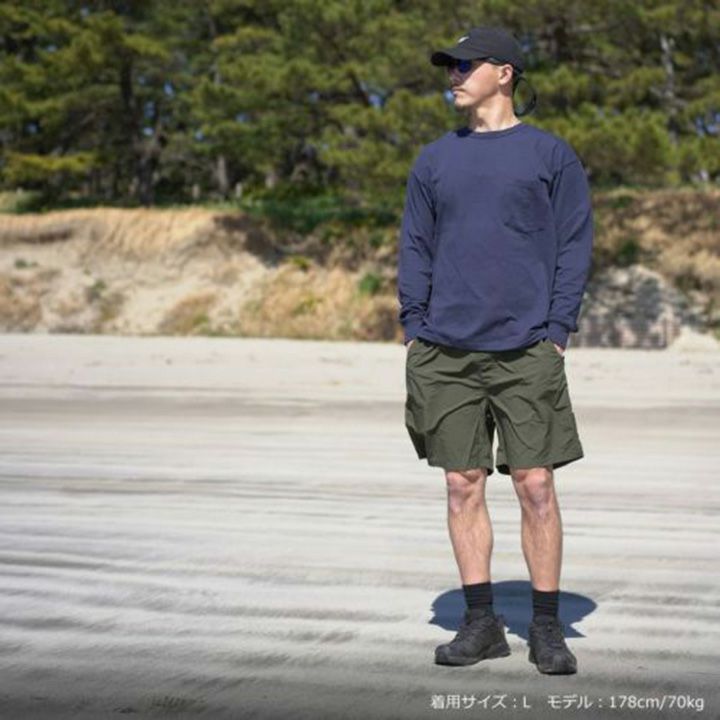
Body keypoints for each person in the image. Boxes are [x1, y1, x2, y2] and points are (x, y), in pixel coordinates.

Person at [397, 26, 593, 675]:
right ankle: (480, 624)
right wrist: (414, 325)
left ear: (504, 72)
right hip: (444, 349)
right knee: (462, 485)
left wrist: (558, 328)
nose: (453, 76)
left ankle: (546, 627)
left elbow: (574, 244)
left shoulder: (550, 155)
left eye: (464, 65)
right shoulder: (434, 160)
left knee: (536, 485)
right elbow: (415, 245)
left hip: (527, 346)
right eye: (449, 66)